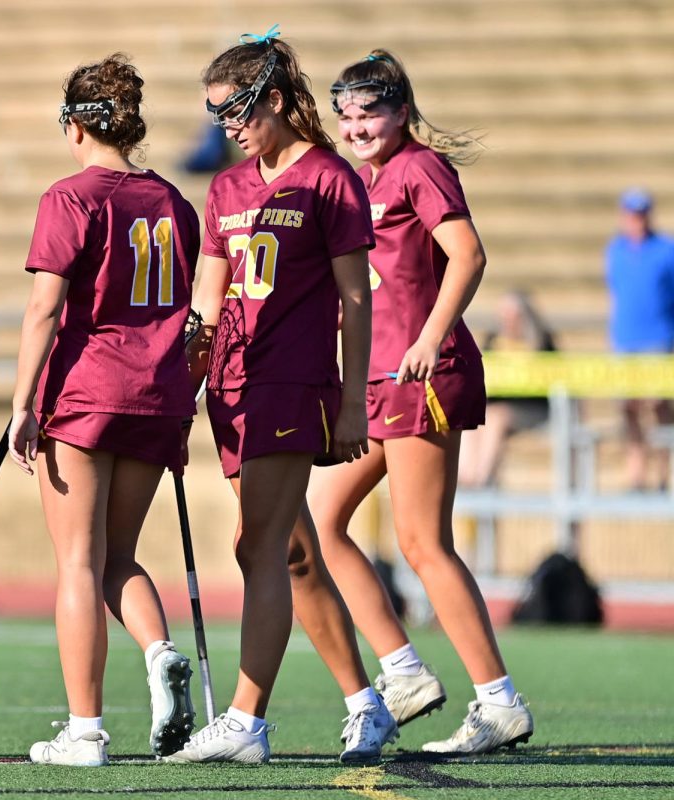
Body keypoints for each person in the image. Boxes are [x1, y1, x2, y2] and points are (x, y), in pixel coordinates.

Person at [305, 49, 533, 755]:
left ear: (402, 110)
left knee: (421, 542)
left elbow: (468, 254)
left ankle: (499, 702)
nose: (357, 126)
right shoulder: (366, 178)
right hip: (378, 382)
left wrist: (432, 337)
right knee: (320, 522)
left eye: (370, 111)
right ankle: (402, 671)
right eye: (346, 115)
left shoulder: (420, 167)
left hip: (421, 377)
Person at [166, 28, 377, 764]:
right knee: (287, 550)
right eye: (216, 112)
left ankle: (247, 721)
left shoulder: (329, 178)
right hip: (232, 386)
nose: (225, 125)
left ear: (277, 101)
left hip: (292, 382)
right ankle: (367, 700)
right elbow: (208, 297)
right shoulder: (225, 186)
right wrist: (181, 386)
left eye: (236, 110)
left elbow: (356, 299)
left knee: (256, 544)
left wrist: (354, 404)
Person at [8, 54, 200, 767]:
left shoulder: (70, 197)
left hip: (87, 393)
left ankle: (85, 729)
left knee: (79, 565)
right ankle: (158, 654)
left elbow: (45, 307)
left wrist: (23, 402)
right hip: (157, 395)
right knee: (119, 555)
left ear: (76, 125)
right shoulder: (176, 202)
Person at [605, 188, 674, 491]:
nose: (637, 220)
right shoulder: (615, 251)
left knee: (659, 405)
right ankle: (636, 472)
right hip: (625, 340)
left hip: (657, 339)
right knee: (629, 407)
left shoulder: (665, 250)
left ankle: (664, 471)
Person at [459, 290, 557, 488]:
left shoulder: (541, 342)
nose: (508, 321)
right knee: (473, 419)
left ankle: (481, 479)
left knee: (496, 417)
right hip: (496, 406)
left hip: (532, 408)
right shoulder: (493, 340)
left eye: (514, 315)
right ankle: (466, 477)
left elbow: (554, 378)